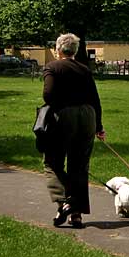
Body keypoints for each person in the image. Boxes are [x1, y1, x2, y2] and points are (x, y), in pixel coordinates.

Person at [42, 33, 104, 228]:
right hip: (88, 116)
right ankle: (76, 214)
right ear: (75, 51)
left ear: (57, 49)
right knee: (79, 166)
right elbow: (95, 99)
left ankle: (64, 203)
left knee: (52, 161)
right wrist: (99, 127)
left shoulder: (53, 67)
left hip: (64, 116)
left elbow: (48, 95)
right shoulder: (85, 70)